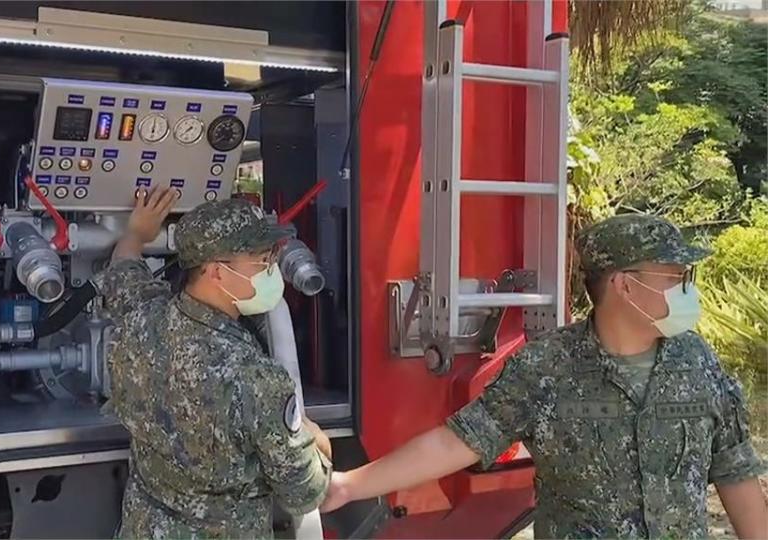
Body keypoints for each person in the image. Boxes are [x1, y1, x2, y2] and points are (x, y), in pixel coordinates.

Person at [321, 214, 767, 539]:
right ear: (624, 285)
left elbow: (735, 469)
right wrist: (349, 485)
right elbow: (457, 442)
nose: (686, 288)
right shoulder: (549, 367)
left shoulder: (697, 359)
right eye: (674, 276)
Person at [92, 186, 332, 539]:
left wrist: (135, 233)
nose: (271, 268)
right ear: (216, 272)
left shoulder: (141, 320)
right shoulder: (257, 379)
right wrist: (316, 438)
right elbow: (304, 492)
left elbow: (124, 270)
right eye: (261, 259)